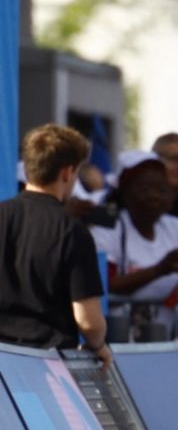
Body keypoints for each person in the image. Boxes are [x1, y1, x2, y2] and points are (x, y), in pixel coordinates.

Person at [0, 124, 111, 370]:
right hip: (48, 365)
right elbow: (88, 320)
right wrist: (99, 346)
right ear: (67, 172)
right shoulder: (72, 232)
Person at [90, 150, 178, 339]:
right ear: (125, 191)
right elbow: (105, 284)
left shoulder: (177, 228)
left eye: (162, 189)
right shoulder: (108, 228)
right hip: (116, 343)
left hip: (167, 342)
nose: (155, 196)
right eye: (145, 188)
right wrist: (159, 270)